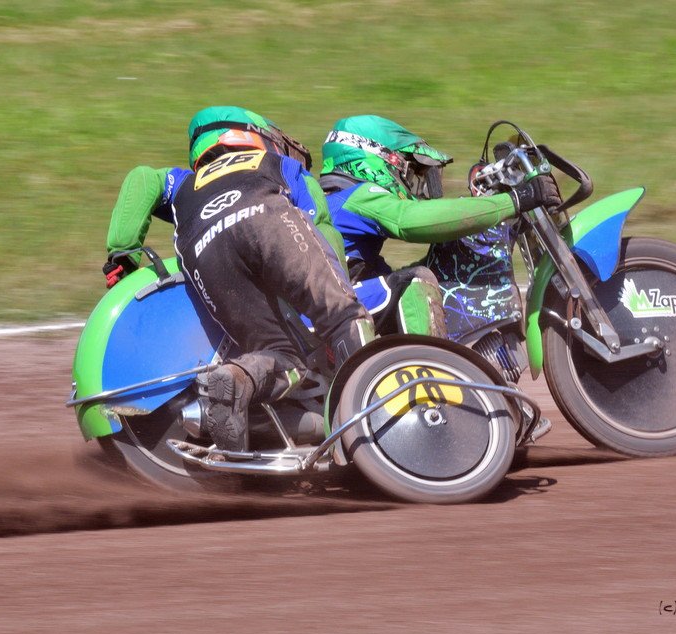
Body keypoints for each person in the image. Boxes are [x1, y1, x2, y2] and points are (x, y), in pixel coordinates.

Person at [103, 106, 374, 453]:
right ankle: (375, 422)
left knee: (279, 353)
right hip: (270, 219)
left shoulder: (182, 181)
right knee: (341, 315)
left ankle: (235, 379)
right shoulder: (282, 166)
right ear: (246, 135)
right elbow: (319, 224)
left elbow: (142, 178)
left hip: (202, 248)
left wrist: (122, 251)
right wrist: (340, 283)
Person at [319, 115, 561, 336]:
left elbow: (383, 276)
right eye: (411, 173)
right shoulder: (354, 196)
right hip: (325, 315)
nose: (413, 185)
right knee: (416, 283)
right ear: (385, 161)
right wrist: (514, 201)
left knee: (413, 279)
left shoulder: (337, 202)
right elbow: (409, 220)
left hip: (327, 309)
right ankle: (427, 374)